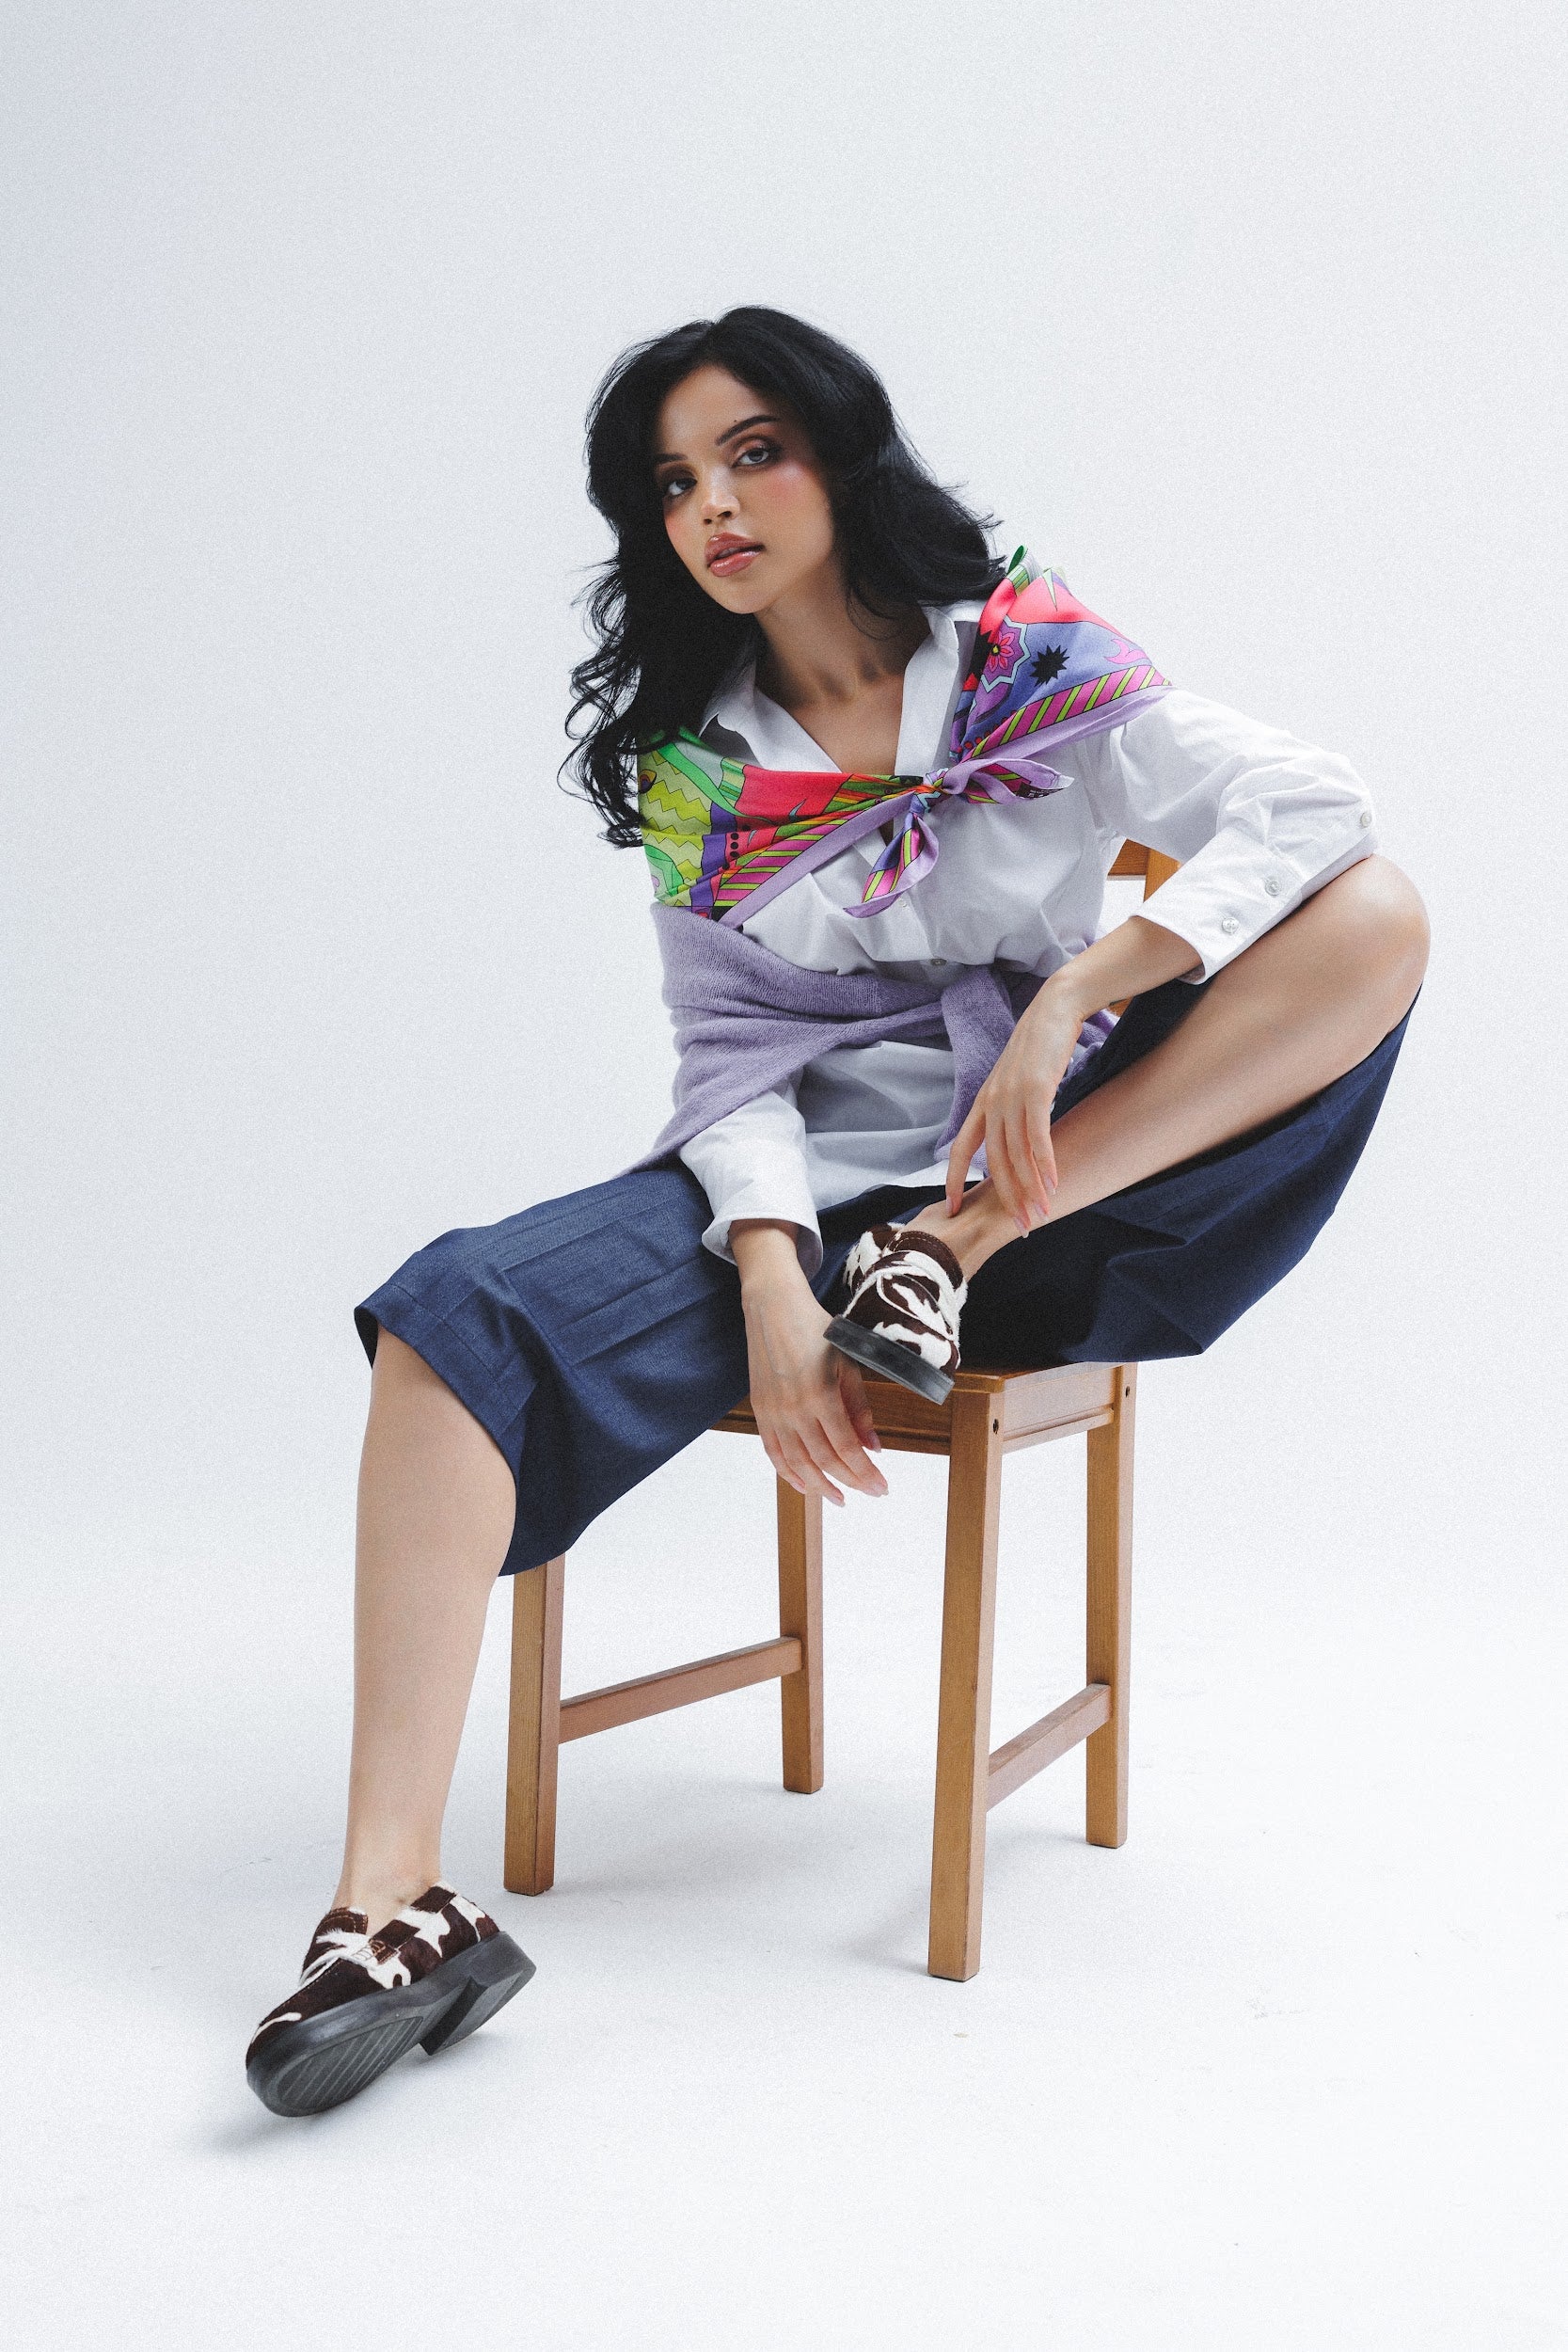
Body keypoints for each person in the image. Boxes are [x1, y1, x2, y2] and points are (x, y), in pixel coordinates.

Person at [244, 306, 1429, 2117]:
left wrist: (1085, 981)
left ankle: (950, 1253)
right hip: (806, 1206)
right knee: (449, 1316)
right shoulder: (696, 772)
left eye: (753, 453)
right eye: (671, 484)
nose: (712, 506)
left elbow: (1313, 805)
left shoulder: (1025, 657)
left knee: (1376, 915)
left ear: (841, 457)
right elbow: (731, 1055)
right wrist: (774, 1281)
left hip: (1072, 1177)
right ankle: (392, 1905)